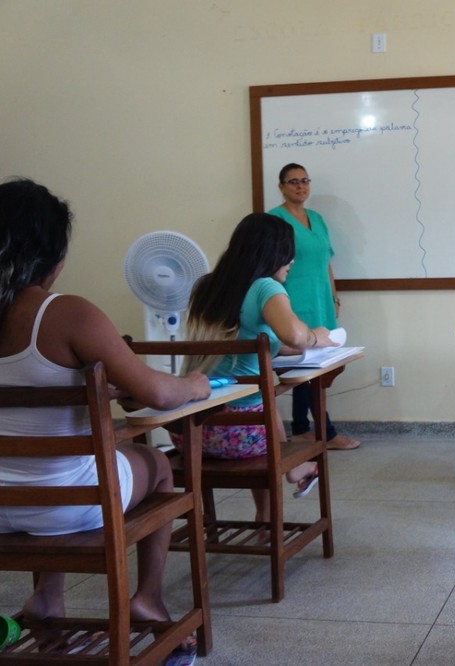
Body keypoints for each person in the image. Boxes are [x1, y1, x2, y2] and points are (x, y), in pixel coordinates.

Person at [0, 179, 210, 638]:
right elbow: (155, 393)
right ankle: (148, 600)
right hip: (67, 508)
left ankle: (47, 599)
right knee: (155, 464)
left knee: (48, 467)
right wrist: (192, 385)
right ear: (54, 254)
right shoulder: (68, 314)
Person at [182, 213, 340, 521]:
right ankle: (293, 471)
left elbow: (255, 339)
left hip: (192, 429)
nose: (292, 260)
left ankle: (266, 516)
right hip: (242, 435)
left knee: (261, 396)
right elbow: (294, 335)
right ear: (273, 252)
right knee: (262, 402)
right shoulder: (264, 287)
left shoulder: (206, 286)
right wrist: (316, 337)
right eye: (288, 251)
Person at [268, 163, 359, 451]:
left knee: (319, 366)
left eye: (305, 180)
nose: (300, 186)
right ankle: (326, 432)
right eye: (293, 181)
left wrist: (334, 296)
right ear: (281, 186)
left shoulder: (317, 218)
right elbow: (270, 265)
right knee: (308, 368)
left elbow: (325, 262)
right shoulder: (275, 220)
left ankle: (302, 428)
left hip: (321, 300)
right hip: (292, 301)